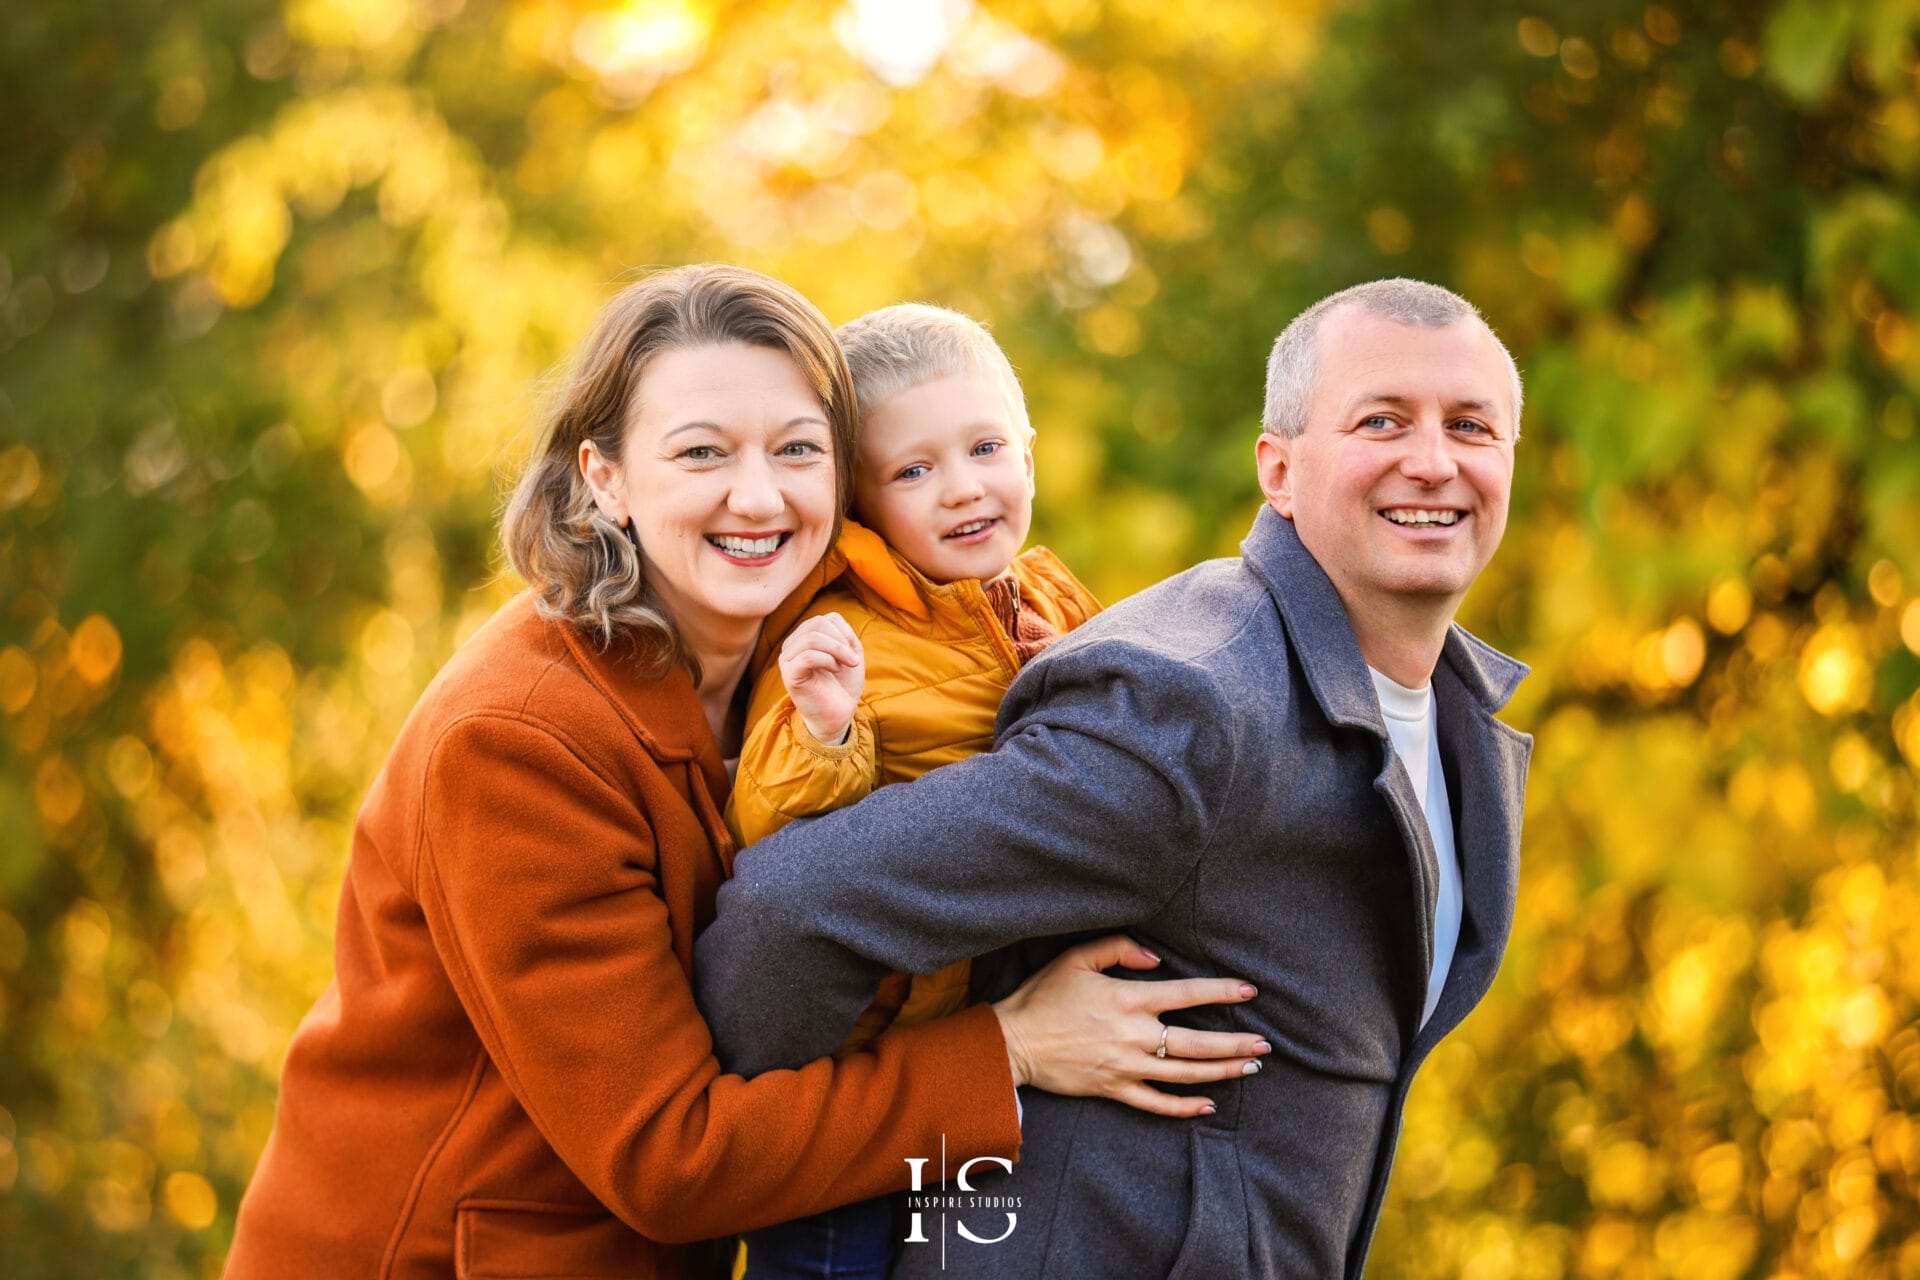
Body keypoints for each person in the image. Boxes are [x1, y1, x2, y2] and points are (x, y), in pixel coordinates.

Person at [224, 265, 1268, 1279]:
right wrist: (1009, 1049)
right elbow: (668, 1153)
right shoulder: (516, 741)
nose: (758, 495)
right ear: (606, 478)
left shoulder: (801, 659)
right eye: (701, 453)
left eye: (797, 449)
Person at [695, 278, 1534, 1279]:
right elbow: (790, 912)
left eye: (1472, 426)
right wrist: (815, 1128)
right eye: (1381, 420)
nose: (1433, 461)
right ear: (1278, 467)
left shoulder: (1459, 713)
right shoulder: (1192, 706)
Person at [729, 303, 1107, 1278]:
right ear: (860, 505)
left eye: (984, 447)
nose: (962, 488)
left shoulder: (1054, 599)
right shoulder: (843, 633)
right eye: (913, 470)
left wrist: (1090, 679)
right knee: (829, 1256)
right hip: (863, 1057)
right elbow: (771, 824)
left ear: (1028, 452)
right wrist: (825, 725)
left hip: (979, 1038)